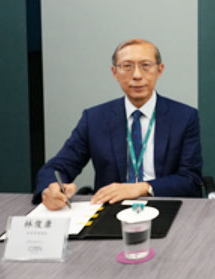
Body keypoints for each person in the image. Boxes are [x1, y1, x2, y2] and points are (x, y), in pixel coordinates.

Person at [34, 38, 203, 209]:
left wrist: (143, 188)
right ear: (115, 73)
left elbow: (191, 180)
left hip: (165, 205)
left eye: (145, 65)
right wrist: (51, 189)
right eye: (127, 66)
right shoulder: (94, 119)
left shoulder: (184, 117)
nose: (137, 75)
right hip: (111, 208)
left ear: (159, 70)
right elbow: (56, 167)